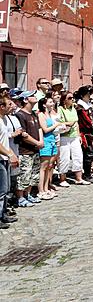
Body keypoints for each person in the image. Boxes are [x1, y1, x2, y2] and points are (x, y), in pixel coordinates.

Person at [14, 92, 44, 207]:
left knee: (33, 175)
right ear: (25, 100)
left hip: (35, 150)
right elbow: (23, 134)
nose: (35, 97)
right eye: (32, 95)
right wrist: (37, 142)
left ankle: (28, 194)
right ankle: (20, 197)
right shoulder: (20, 115)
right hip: (25, 151)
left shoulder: (33, 114)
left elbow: (39, 128)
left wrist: (41, 142)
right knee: (24, 175)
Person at [57, 91, 87, 186]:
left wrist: (78, 135)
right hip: (64, 136)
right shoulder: (60, 109)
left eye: (72, 98)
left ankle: (79, 178)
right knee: (64, 158)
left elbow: (76, 123)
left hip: (74, 136)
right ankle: (62, 179)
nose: (72, 100)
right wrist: (68, 123)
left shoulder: (73, 109)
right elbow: (58, 122)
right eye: (69, 98)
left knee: (78, 156)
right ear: (64, 100)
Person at [37, 97, 63, 199]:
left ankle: (46, 187)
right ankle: (41, 190)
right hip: (46, 141)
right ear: (44, 104)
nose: (53, 104)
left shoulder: (49, 113)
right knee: (43, 167)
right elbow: (45, 129)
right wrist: (56, 125)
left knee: (50, 166)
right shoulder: (41, 114)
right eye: (50, 102)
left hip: (52, 140)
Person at [0, 94, 20, 227]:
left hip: (4, 158)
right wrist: (8, 153)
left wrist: (11, 153)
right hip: (0, 159)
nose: (11, 107)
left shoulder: (3, 119)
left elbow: (4, 140)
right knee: (1, 190)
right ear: (1, 107)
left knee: (5, 189)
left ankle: (3, 214)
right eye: (8, 105)